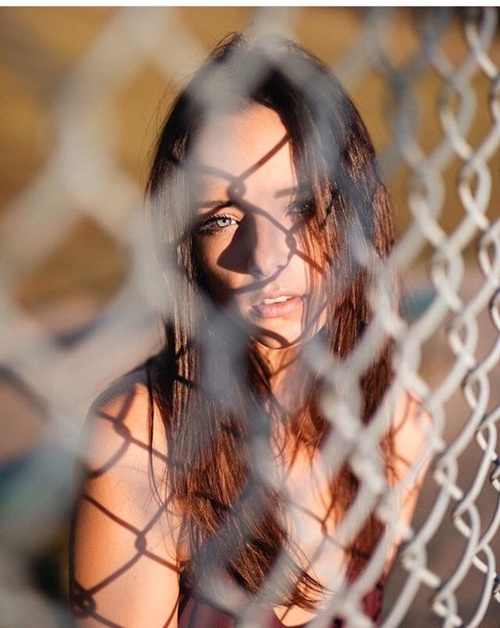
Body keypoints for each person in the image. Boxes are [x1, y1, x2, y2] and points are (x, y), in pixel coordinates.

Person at [69, 32, 431, 627]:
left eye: (299, 205)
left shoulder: (394, 419)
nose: (265, 257)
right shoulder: (141, 442)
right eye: (221, 218)